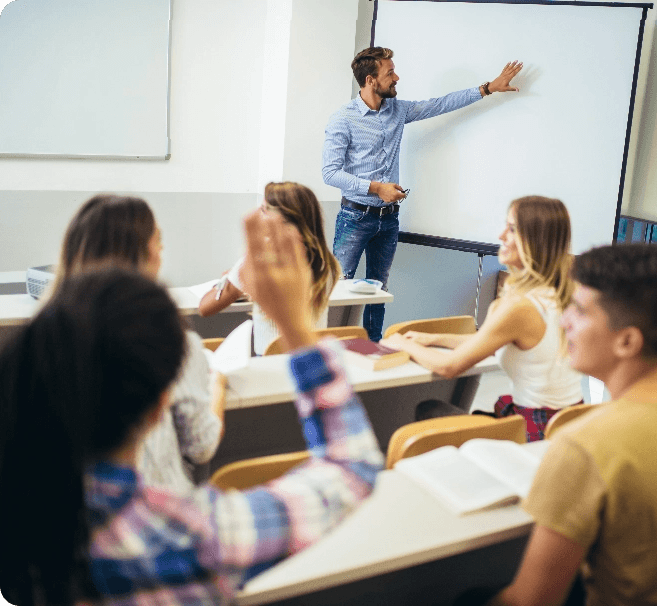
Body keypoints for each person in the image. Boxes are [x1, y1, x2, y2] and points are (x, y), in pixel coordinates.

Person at [0, 211, 383, 605]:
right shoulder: (191, 535)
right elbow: (352, 470)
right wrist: (297, 329)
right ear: (159, 405)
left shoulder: (21, 511)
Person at [483, 243, 657, 606]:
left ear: (627, 341)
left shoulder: (584, 445)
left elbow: (530, 602)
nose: (564, 321)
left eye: (579, 311)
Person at [323, 46, 523, 342]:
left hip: (389, 220)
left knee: (378, 291)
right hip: (354, 217)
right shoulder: (343, 119)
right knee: (339, 289)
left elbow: (438, 105)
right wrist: (377, 188)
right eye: (389, 73)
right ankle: (332, 352)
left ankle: (373, 348)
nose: (396, 77)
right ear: (369, 80)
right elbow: (330, 173)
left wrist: (487, 88)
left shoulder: (396, 110)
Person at [55, 193, 223, 492]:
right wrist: (217, 385)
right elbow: (201, 446)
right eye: (158, 241)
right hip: (162, 509)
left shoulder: (45, 344)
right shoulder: (172, 343)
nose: (163, 249)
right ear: (143, 256)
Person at [382, 196, 583, 442]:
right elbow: (489, 340)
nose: (501, 236)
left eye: (511, 229)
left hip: (534, 434)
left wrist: (403, 343)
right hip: (566, 427)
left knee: (430, 410)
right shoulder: (562, 295)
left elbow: (449, 367)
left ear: (534, 240)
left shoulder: (520, 307)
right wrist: (432, 337)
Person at [199, 181, 341, 355]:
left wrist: (227, 282)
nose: (259, 214)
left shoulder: (259, 261)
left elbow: (205, 308)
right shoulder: (328, 264)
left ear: (279, 220)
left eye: (264, 210)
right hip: (314, 356)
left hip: (271, 360)